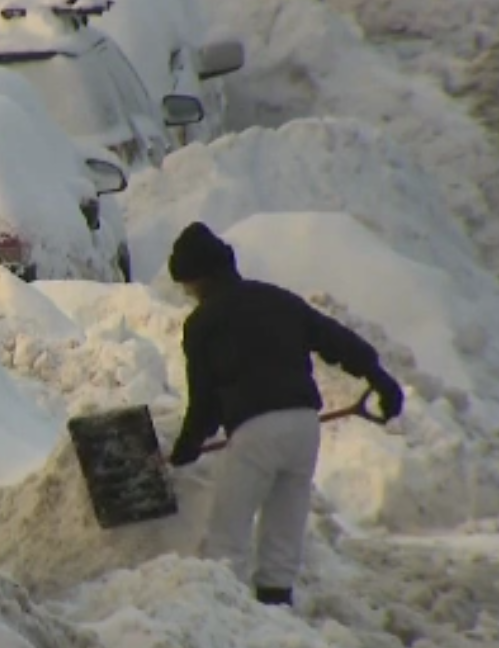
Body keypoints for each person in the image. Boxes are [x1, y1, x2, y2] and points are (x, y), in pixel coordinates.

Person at [165, 222, 404, 607]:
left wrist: (188, 446)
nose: (188, 294)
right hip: (303, 426)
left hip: (256, 430)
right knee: (283, 532)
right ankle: (276, 606)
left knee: (227, 538)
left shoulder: (203, 324)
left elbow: (205, 399)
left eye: (188, 285)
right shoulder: (278, 300)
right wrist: (378, 376)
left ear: (200, 278)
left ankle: (221, 617)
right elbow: (336, 340)